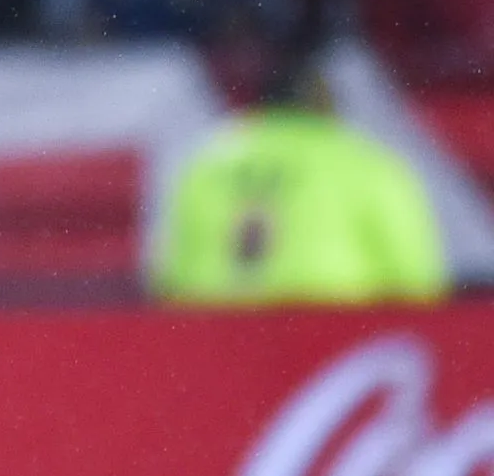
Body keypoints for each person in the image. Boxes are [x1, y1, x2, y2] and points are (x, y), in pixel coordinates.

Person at [156, 45, 447, 305]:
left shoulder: (206, 163)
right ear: (325, 101)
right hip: (332, 331)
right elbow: (417, 280)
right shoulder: (365, 163)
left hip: (218, 334)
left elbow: (171, 278)